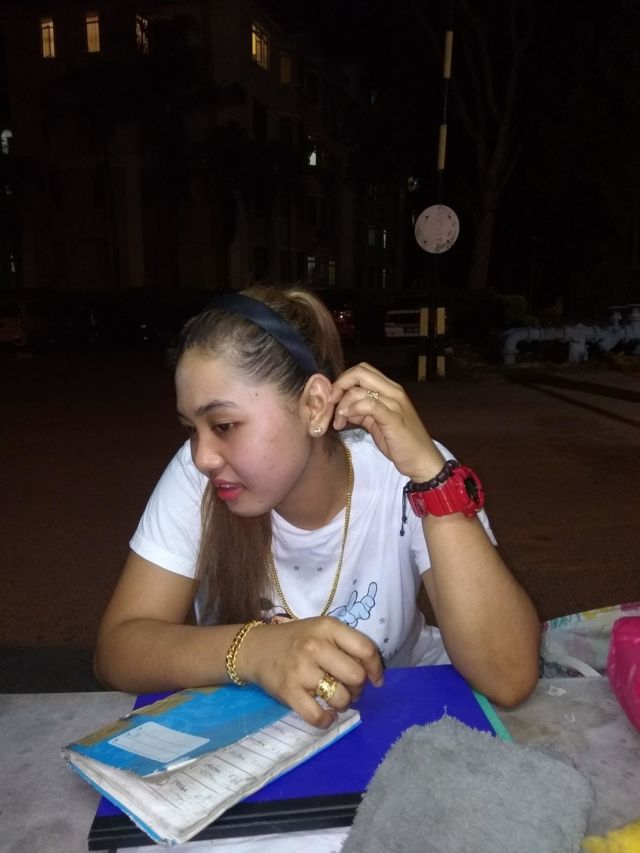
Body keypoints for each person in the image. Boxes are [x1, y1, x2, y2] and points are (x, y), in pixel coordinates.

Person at [94, 285, 540, 728]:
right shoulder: (198, 478)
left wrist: (432, 476)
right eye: (191, 429)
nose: (202, 456)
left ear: (314, 405)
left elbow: (510, 677)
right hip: (253, 735)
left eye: (224, 425)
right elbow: (118, 650)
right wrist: (253, 649)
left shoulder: (403, 470)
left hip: (400, 715)